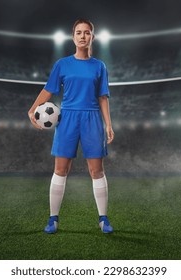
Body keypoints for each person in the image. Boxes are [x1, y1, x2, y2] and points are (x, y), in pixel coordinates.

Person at [28, 19, 114, 234]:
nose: (83, 36)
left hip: (92, 118)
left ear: (92, 37)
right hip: (67, 118)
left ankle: (103, 219)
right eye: (78, 32)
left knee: (97, 170)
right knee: (60, 169)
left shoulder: (99, 66)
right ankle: (53, 219)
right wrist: (33, 109)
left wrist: (108, 124)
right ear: (73, 36)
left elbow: (103, 97)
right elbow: (49, 90)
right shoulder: (62, 64)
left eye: (87, 33)